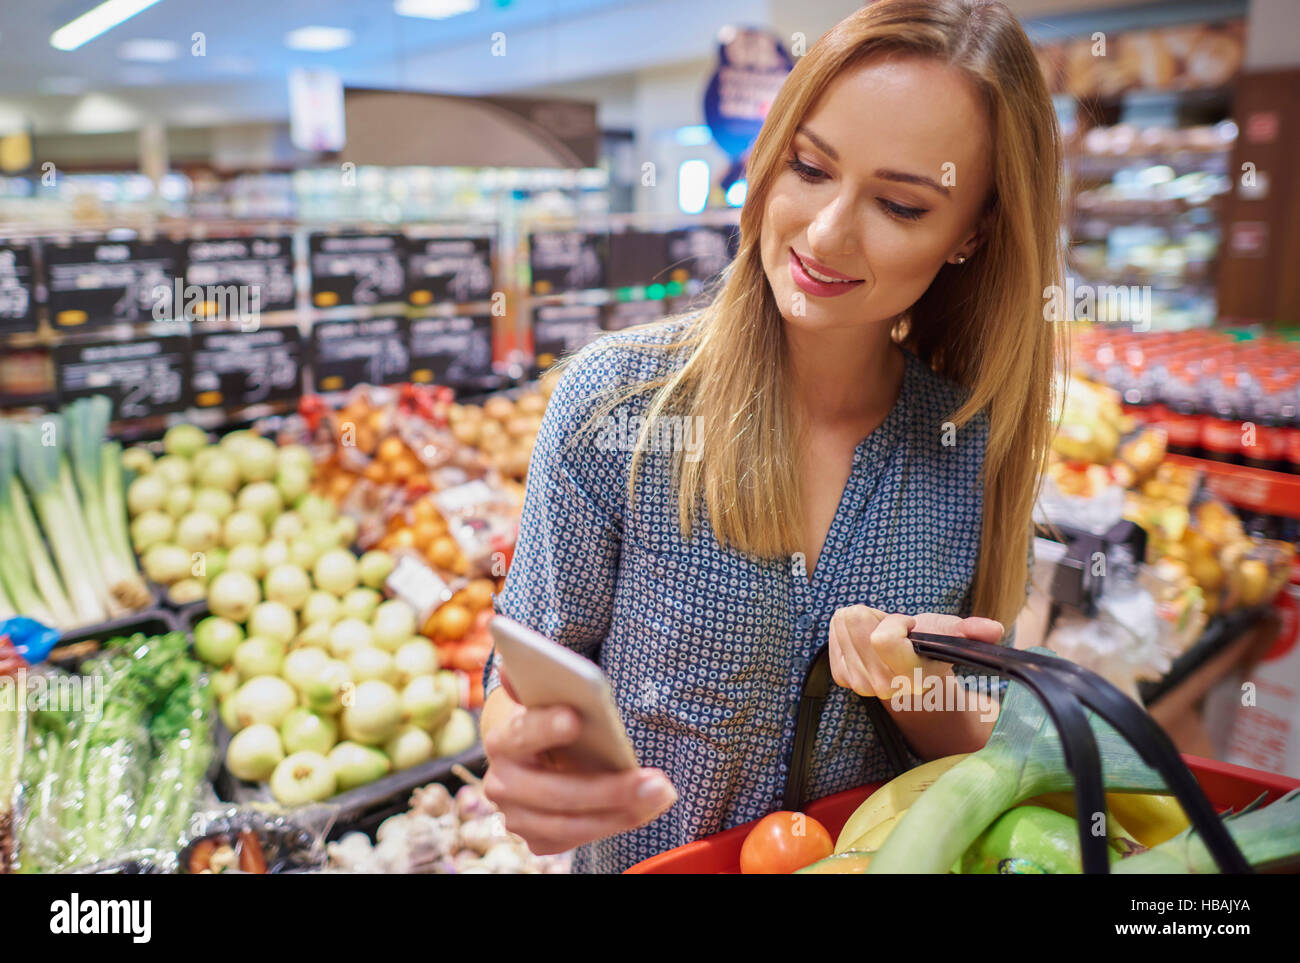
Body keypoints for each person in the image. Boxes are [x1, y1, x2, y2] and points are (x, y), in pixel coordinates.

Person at [480, 0, 1065, 874]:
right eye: (810, 167)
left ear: (971, 234)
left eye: (902, 205)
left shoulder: (968, 445)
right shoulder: (618, 403)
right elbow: (527, 664)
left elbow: (980, 749)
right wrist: (522, 755)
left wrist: (907, 682)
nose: (825, 232)